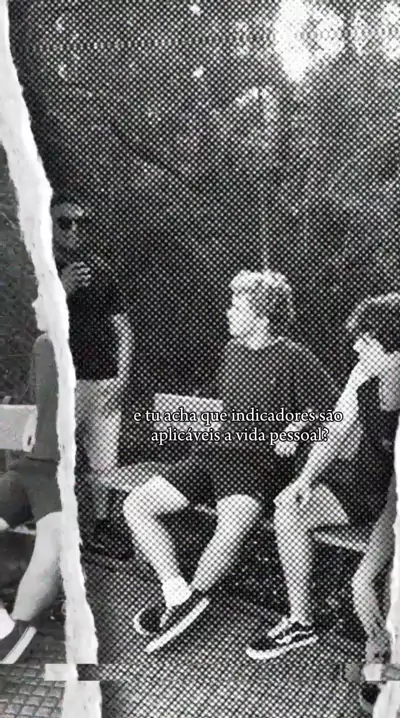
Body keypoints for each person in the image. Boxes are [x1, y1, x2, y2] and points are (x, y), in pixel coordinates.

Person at [123, 269, 339, 654]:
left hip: (258, 466)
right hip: (211, 454)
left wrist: (296, 427)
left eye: (237, 307)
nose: (228, 312)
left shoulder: (294, 357)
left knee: (231, 526)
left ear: (261, 317)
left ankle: (189, 601)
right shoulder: (232, 350)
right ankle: (178, 595)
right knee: (136, 504)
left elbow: (335, 410)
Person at [246, 292, 400, 669]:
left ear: (395, 355)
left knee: (367, 583)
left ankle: (383, 656)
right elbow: (334, 430)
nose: (356, 346)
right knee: (289, 508)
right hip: (365, 490)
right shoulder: (364, 376)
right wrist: (304, 479)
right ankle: (301, 621)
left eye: (366, 340)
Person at [51, 197, 133, 553]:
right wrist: (62, 288)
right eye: (65, 223)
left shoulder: (102, 270)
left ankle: (101, 529)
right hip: (61, 383)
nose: (74, 230)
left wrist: (122, 377)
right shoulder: (39, 267)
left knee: (105, 463)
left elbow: (123, 328)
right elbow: (31, 326)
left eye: (81, 223)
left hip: (104, 382)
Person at [0, 292, 62, 664]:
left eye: (41, 299)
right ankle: (7, 632)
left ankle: (17, 632)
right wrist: (34, 415)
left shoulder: (79, 348)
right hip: (29, 466)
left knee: (54, 542)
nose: (34, 305)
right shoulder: (42, 345)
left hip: (59, 473)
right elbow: (43, 398)